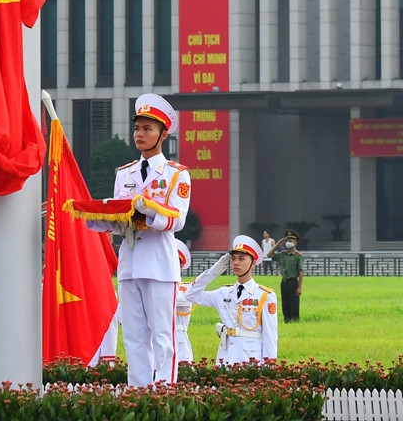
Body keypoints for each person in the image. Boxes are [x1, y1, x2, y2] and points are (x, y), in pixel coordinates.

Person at [85, 93, 191, 387]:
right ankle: (138, 392)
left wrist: (148, 209)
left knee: (162, 336)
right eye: (137, 128)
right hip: (130, 263)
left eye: (147, 129)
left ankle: (164, 392)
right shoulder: (125, 173)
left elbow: (177, 220)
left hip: (159, 264)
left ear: (163, 133)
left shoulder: (176, 175)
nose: (140, 135)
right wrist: (95, 217)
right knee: (133, 335)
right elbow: (121, 219)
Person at [182, 235, 278, 365]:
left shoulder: (264, 295)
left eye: (241, 259)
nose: (236, 263)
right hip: (226, 357)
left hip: (251, 358)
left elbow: (270, 335)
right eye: (233, 259)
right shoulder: (223, 293)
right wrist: (213, 271)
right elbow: (190, 295)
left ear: (253, 263)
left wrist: (270, 366)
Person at [269, 228, 304, 322]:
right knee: (285, 305)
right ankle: (287, 321)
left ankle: (295, 322)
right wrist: (278, 244)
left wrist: (300, 287)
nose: (288, 242)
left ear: (295, 242)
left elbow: (301, 271)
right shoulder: (282, 254)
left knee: (294, 305)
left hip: (293, 283)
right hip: (284, 283)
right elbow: (269, 255)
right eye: (287, 240)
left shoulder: (298, 256)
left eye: (291, 240)